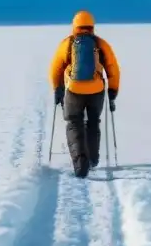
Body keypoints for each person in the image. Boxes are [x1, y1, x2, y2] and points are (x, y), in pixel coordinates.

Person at [48, 9, 120, 178]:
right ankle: (93, 159)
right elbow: (113, 69)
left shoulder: (68, 43)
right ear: (92, 26)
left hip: (74, 89)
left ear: (75, 26)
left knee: (74, 123)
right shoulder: (100, 44)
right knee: (93, 122)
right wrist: (112, 91)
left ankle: (81, 161)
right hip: (96, 90)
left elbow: (55, 68)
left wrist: (57, 88)